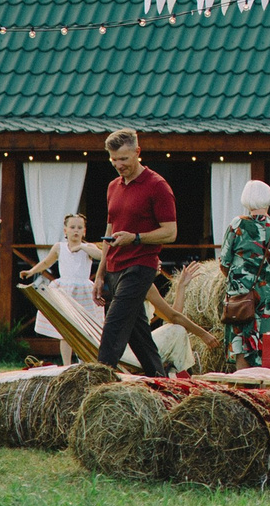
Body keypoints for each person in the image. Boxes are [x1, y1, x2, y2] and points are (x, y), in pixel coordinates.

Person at [95, 129, 178, 375]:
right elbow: (110, 229)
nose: (118, 165)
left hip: (141, 265)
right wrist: (99, 274)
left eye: (124, 158)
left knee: (114, 327)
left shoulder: (157, 186)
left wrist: (136, 238)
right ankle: (161, 383)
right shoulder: (112, 187)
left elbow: (171, 232)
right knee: (137, 334)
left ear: (137, 153)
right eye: (113, 160)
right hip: (112, 268)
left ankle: (97, 383)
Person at [220, 179, 270, 368]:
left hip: (243, 296)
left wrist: (238, 280)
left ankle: (245, 390)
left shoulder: (237, 224)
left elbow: (224, 262)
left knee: (242, 343)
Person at [39, 212, 104, 365]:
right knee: (66, 330)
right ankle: (66, 364)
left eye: (79, 227)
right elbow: (46, 263)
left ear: (84, 231)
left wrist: (82, 246)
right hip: (65, 291)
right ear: (65, 230)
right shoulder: (59, 247)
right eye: (72, 227)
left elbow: (101, 256)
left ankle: (85, 362)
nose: (76, 230)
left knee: (86, 330)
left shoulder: (88, 247)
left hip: (84, 292)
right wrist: (31, 271)